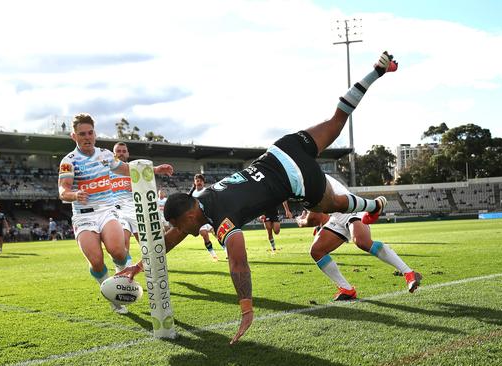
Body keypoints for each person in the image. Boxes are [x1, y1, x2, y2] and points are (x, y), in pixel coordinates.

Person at [144, 51, 397, 344]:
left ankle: (372, 205)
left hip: (296, 180)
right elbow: (176, 232)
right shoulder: (202, 196)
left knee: (333, 204)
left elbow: (239, 263)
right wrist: (141, 265)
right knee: (338, 117)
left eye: (179, 224)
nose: (181, 231)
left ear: (188, 216)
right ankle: (377, 71)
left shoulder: (223, 222)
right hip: (282, 150)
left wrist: (246, 308)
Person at [57, 113, 172, 314]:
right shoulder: (68, 161)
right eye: (82, 134)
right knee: (96, 261)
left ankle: (121, 285)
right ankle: (113, 297)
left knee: (119, 252)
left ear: (95, 133)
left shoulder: (105, 155)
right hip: (84, 216)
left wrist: (155, 170)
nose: (87, 137)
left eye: (90, 133)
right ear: (73, 136)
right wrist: (74, 194)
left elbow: (127, 169)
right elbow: (62, 191)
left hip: (107, 211)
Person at [296, 175, 422, 301]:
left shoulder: (306, 178)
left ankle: (410, 274)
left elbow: (315, 218)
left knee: (362, 241)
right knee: (317, 251)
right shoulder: (302, 177)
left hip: (351, 209)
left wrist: (301, 221)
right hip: (337, 216)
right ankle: (347, 290)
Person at [111, 141, 173, 254]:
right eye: (118, 151)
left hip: (136, 209)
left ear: (128, 154)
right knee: (122, 243)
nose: (121, 153)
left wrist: (136, 185)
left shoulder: (134, 169)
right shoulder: (107, 170)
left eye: (124, 151)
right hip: (117, 210)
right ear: (113, 154)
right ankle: (123, 269)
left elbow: (147, 185)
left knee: (148, 245)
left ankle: (152, 268)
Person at [189, 174, 227, 261]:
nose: (199, 182)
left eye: (201, 181)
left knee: (217, 235)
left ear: (203, 182)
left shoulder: (207, 191)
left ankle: (226, 251)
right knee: (204, 235)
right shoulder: (192, 194)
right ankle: (213, 254)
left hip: (209, 216)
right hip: (199, 219)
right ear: (194, 182)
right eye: (197, 181)